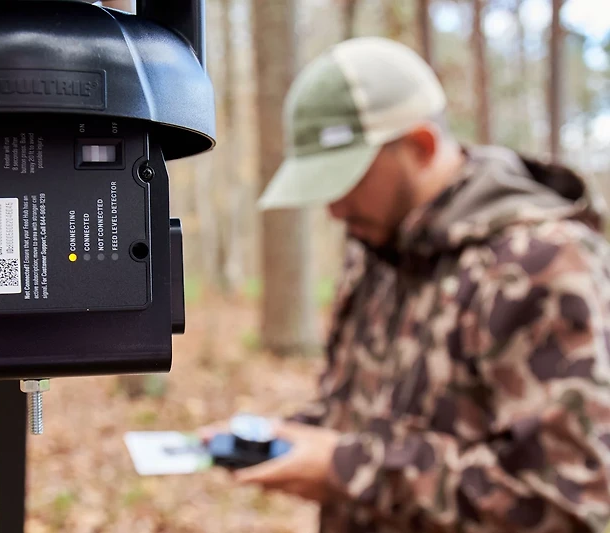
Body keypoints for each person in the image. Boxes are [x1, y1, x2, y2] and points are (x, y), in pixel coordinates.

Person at [200, 37, 610, 532]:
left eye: (347, 178)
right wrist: (282, 438)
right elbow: (356, 415)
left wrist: (345, 468)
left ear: (420, 146)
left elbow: (567, 506)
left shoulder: (542, 265)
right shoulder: (375, 251)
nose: (334, 209)